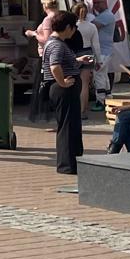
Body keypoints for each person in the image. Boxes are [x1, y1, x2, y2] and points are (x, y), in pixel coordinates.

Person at [44, 10, 88, 174]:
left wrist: (77, 61)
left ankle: (73, 161)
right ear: (68, 27)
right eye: (74, 26)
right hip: (64, 90)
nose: (75, 30)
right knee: (68, 127)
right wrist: (62, 82)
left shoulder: (55, 43)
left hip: (65, 88)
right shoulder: (57, 44)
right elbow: (54, 65)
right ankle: (67, 165)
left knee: (71, 125)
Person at [88, 0, 117, 101]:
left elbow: (92, 27)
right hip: (105, 51)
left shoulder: (106, 16)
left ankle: (100, 100)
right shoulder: (104, 15)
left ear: (104, 3)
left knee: (98, 74)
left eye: (97, 3)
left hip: (102, 51)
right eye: (94, 3)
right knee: (104, 75)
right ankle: (108, 96)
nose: (95, 6)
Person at [73, 3, 100, 119]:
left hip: (74, 53)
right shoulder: (91, 26)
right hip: (87, 53)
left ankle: (73, 109)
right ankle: (82, 110)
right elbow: (96, 45)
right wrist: (98, 60)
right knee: (85, 84)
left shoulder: (72, 26)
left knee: (73, 83)